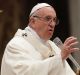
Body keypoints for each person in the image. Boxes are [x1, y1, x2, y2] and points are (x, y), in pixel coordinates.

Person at [1, 3, 79, 75]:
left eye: (54, 20)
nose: (52, 24)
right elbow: (25, 72)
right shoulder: (16, 45)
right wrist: (59, 58)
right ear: (33, 21)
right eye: (48, 19)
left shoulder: (53, 47)